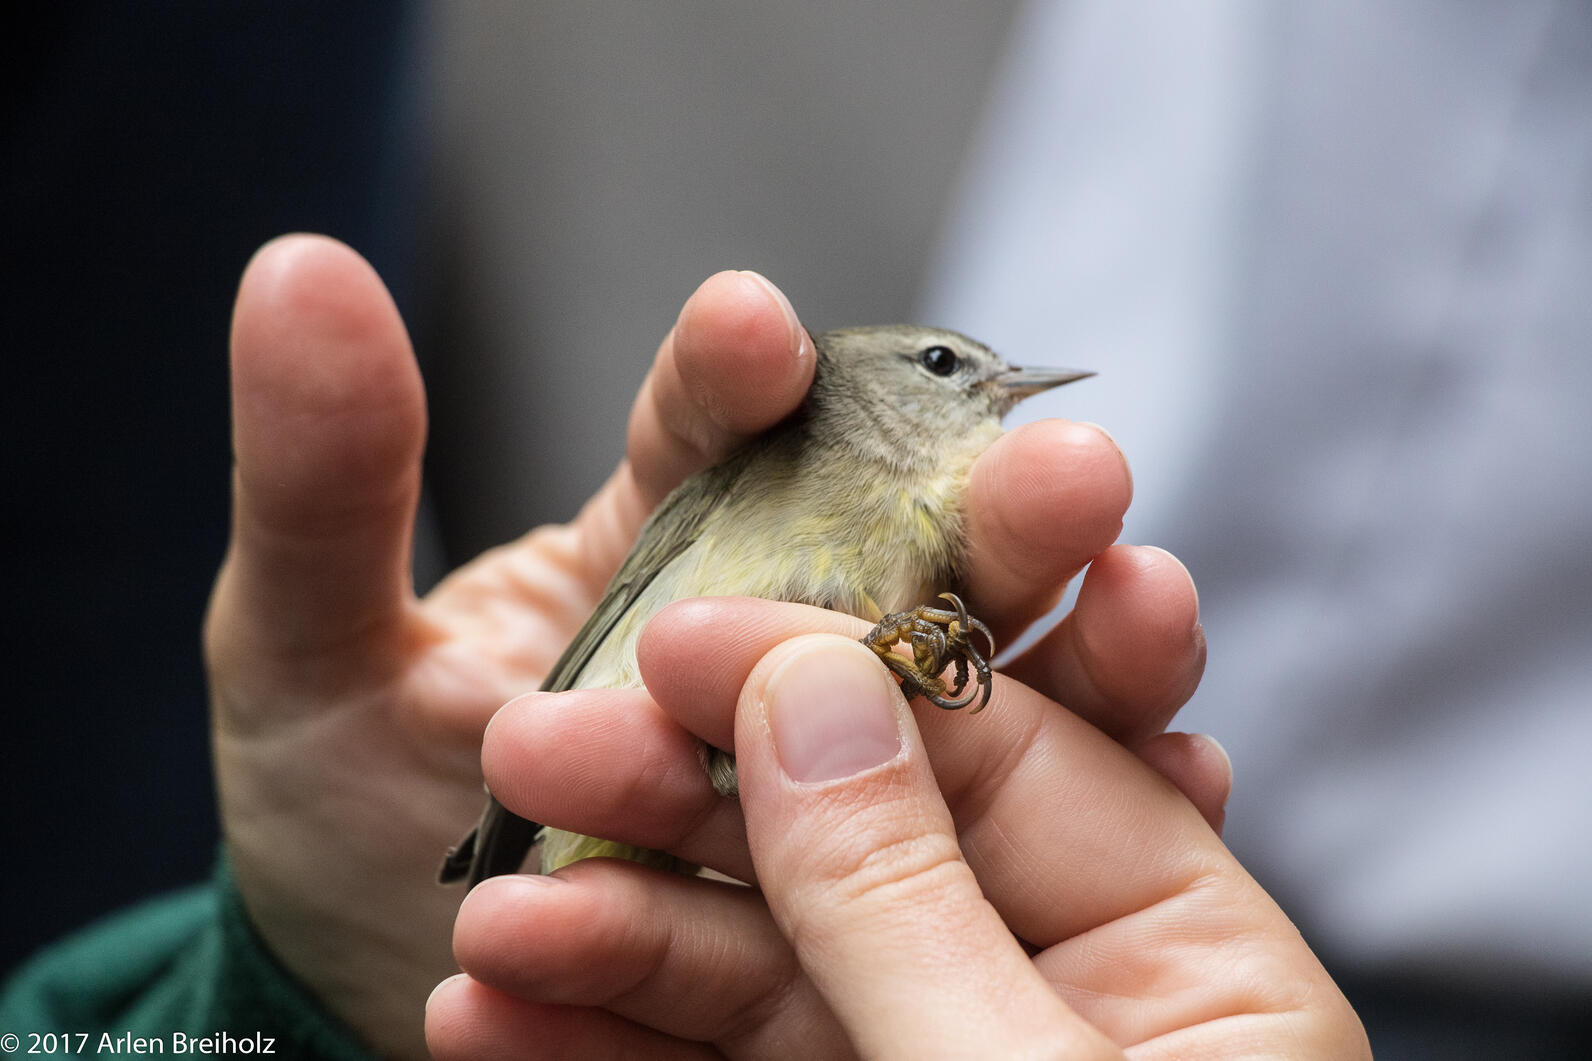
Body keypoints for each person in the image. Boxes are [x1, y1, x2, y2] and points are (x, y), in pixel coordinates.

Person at [0, 236, 1368, 1058]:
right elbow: (619, 615)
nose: (987, 388)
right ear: (873, 389)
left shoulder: (936, 546)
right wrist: (493, 821)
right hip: (603, 798)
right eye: (949, 367)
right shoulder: (783, 461)